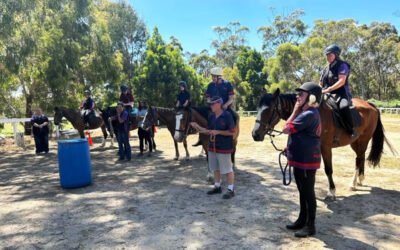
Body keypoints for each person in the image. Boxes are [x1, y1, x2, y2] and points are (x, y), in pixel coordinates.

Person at [282, 82, 322, 238]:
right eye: (298, 94)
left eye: (301, 95)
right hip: (301, 157)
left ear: (311, 98)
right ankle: (302, 219)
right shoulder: (307, 113)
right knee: (302, 191)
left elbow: (286, 128)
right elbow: (298, 134)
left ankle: (310, 226)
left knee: (308, 192)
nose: (297, 97)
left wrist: (294, 111)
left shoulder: (309, 114)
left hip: (306, 160)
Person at [190, 96, 236, 199]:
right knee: (215, 168)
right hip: (212, 147)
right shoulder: (211, 116)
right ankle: (217, 186)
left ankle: (231, 189)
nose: (210, 106)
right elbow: (208, 130)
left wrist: (219, 132)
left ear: (219, 104)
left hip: (224, 147)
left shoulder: (227, 115)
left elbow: (232, 132)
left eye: (212, 104)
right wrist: (198, 127)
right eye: (210, 104)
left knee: (228, 169)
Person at [193, 66, 236, 147]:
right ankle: (201, 138)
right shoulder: (210, 85)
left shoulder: (227, 84)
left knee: (234, 116)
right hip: (213, 108)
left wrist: (226, 105)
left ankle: (233, 134)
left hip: (224, 108)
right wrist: (209, 102)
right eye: (212, 76)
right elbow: (208, 97)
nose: (212, 78)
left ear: (219, 76)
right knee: (201, 116)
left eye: (213, 76)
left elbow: (231, 98)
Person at [320, 44, 356, 137]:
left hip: (341, 93)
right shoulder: (325, 69)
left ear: (336, 55)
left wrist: (328, 89)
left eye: (330, 55)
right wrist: (319, 90)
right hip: (326, 93)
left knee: (343, 107)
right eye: (327, 55)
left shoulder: (343, 65)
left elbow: (341, 81)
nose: (328, 57)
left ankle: (351, 129)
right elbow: (320, 83)